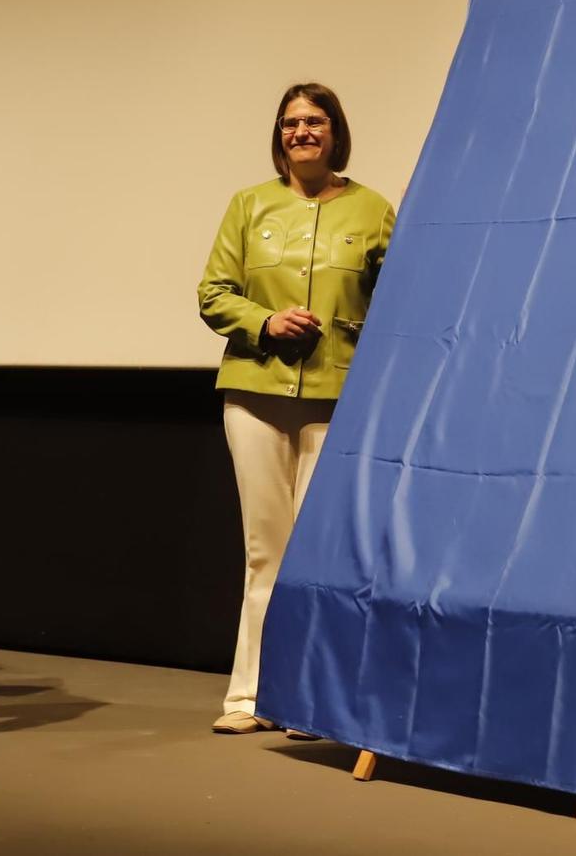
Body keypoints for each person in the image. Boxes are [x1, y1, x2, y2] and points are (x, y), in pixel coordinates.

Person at [196, 84, 394, 735]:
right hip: (255, 393)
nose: (301, 131)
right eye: (290, 123)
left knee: (314, 555)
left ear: (336, 131)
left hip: (338, 397)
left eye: (314, 121)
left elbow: (399, 297)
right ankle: (249, 697)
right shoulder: (249, 205)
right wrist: (266, 319)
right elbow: (214, 292)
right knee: (265, 550)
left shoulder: (373, 210)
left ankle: (307, 701)